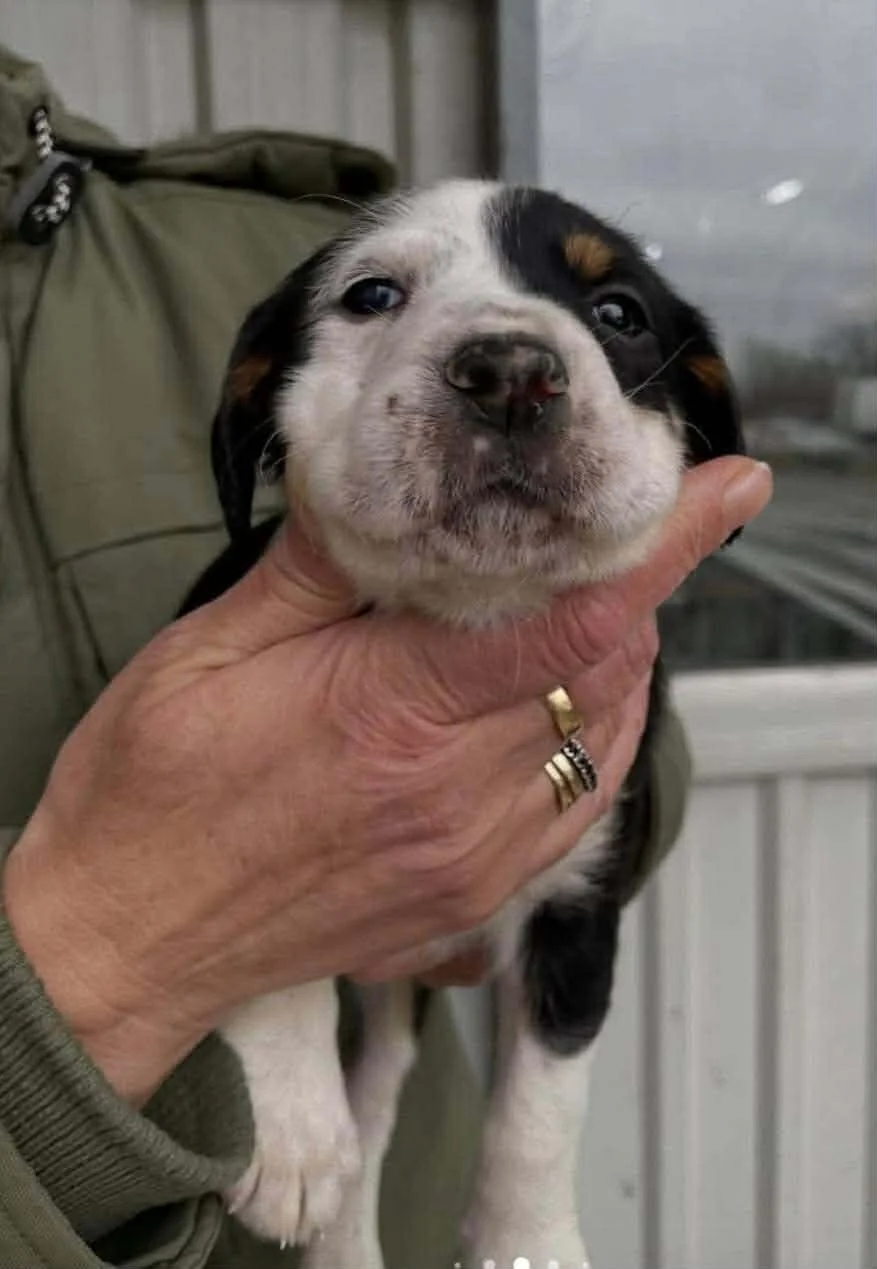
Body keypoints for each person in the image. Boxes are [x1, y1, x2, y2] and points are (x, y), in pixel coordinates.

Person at [0, 43, 772, 1269]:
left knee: (441, 1014)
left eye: (612, 314)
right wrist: (250, 964)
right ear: (260, 411)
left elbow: (590, 859)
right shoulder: (237, 593)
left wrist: (569, 788)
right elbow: (219, 799)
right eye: (373, 299)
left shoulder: (210, 217)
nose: (513, 366)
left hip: (414, 1192)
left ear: (694, 423)